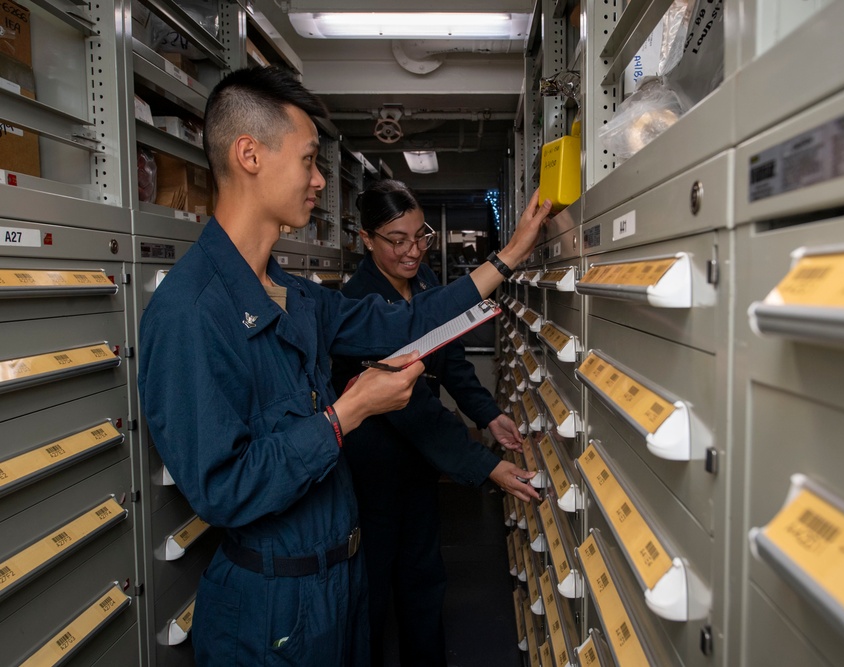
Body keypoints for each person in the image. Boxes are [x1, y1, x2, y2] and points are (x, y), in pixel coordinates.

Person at [137, 66, 551, 667]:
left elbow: (405, 323)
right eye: (308, 160)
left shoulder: (292, 294)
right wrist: (348, 412)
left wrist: (508, 257)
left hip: (338, 582)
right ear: (249, 155)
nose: (318, 180)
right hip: (272, 605)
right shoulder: (189, 311)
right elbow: (223, 489)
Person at [330, 180, 541, 667]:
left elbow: (453, 362)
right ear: (366, 239)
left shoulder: (423, 282)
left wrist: (489, 415)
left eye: (420, 235)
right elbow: (413, 409)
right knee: (369, 594)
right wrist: (486, 465)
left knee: (424, 581)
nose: (413, 250)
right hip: (372, 473)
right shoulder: (359, 304)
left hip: (419, 466)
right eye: (396, 239)